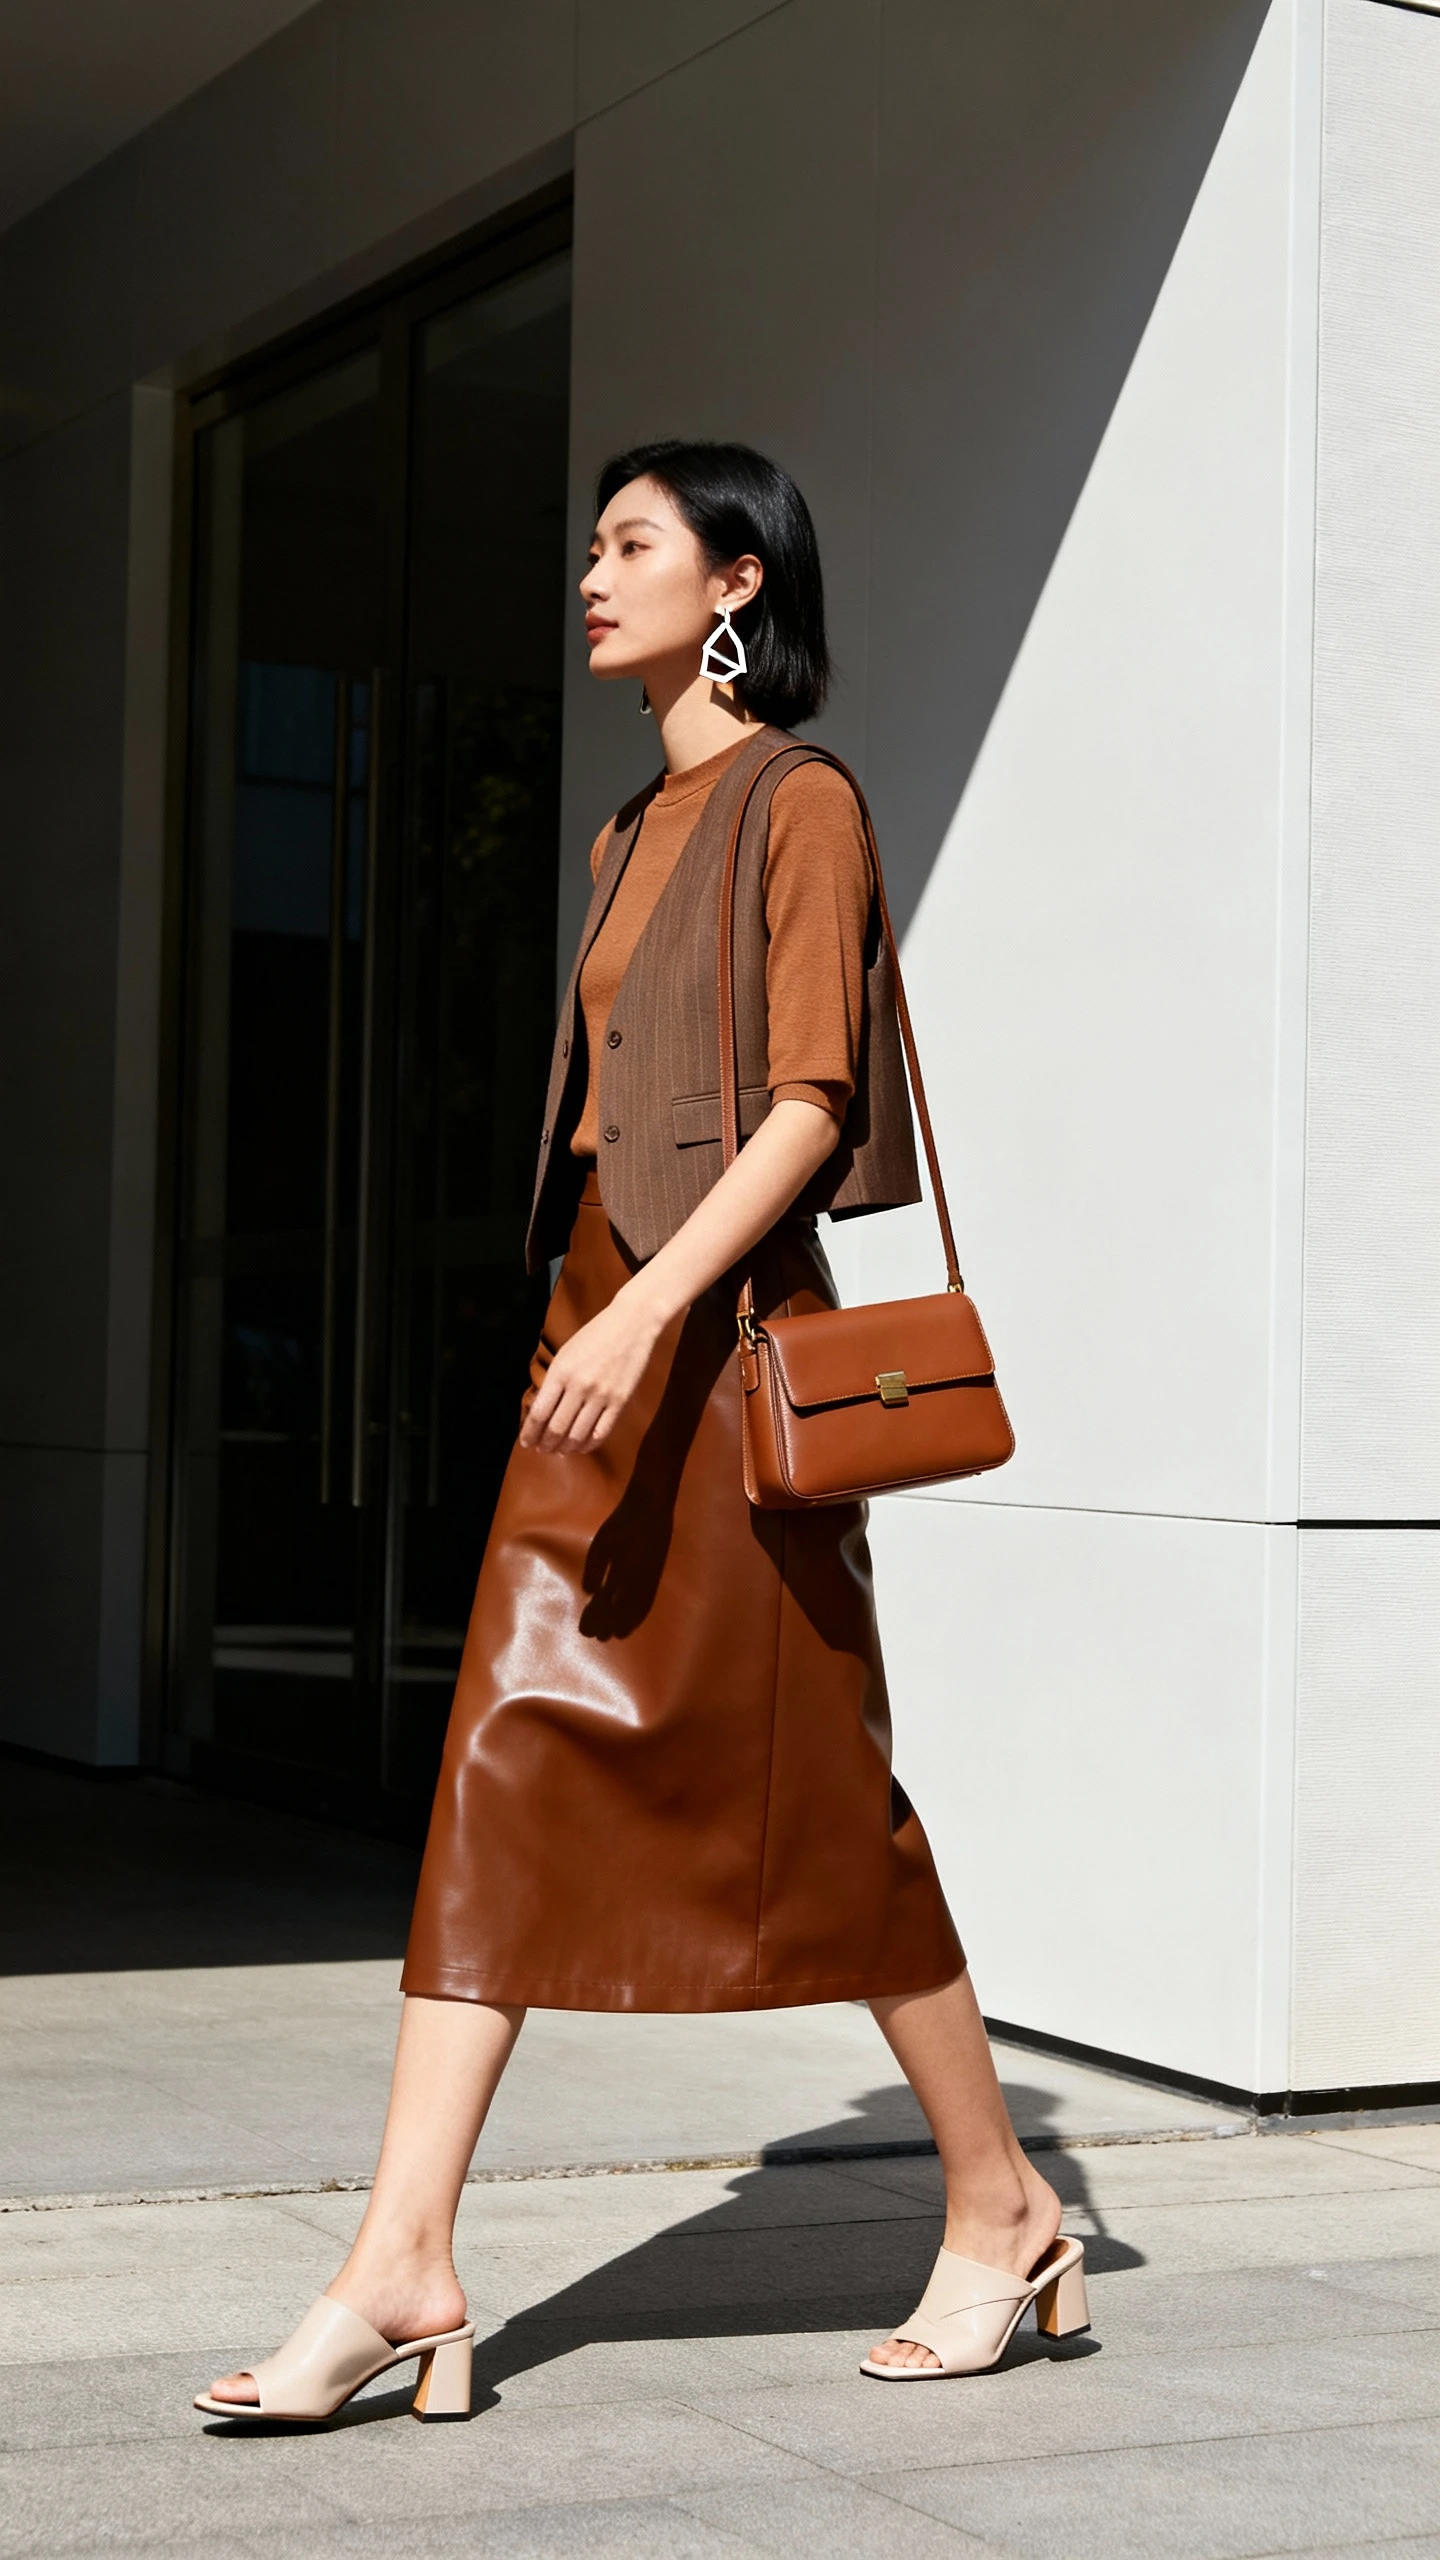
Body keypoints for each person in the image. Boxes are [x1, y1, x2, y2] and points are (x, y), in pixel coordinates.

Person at [196, 439, 1084, 2426]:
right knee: (498, 1763)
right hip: (593, 1346)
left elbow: (810, 1102)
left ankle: (1003, 2199)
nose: (590, 575)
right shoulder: (625, 830)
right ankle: (401, 2259)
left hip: (721, 1357)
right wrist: (582, 1316)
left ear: (735, 579)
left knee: (829, 1801)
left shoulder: (799, 799)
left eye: (630, 543)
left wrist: (649, 1309)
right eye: (588, 544)